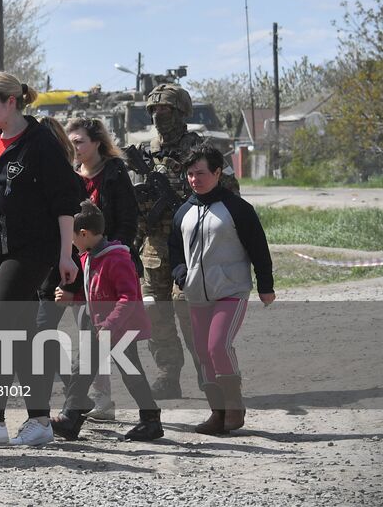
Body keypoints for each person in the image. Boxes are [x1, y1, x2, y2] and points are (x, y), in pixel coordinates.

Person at [0, 72, 81, 447]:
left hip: (31, 249)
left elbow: (65, 203)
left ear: (11, 102)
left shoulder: (40, 143)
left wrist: (66, 254)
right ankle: (39, 421)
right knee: (21, 336)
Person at [136, 82, 238, 399]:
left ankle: (208, 373)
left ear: (181, 112)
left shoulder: (202, 150)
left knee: (189, 311)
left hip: (191, 246)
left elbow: (230, 196)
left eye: (165, 109)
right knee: (156, 312)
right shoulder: (144, 151)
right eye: (154, 110)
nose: (158, 115)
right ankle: (168, 375)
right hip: (153, 247)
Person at [37, 116, 140, 421]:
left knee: (94, 335)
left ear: (97, 142)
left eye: (80, 141)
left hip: (103, 265)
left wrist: (108, 256)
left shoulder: (114, 174)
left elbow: (127, 221)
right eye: (71, 142)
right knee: (44, 329)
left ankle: (101, 400)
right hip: (68, 265)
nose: (75, 147)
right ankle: (77, 393)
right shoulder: (67, 175)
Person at [169, 145, 274, 435]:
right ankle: (217, 413)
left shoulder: (238, 208)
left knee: (217, 346)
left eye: (200, 173)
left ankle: (234, 405)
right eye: (190, 174)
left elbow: (258, 248)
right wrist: (181, 275)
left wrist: (266, 285)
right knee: (203, 352)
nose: (194, 179)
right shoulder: (183, 212)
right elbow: (175, 251)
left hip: (232, 290)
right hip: (196, 294)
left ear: (217, 173)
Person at [50, 201, 162, 443]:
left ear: (84, 234)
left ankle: (151, 420)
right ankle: (70, 418)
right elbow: (95, 291)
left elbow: (129, 298)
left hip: (119, 328)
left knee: (131, 374)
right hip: (99, 326)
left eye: (72, 237)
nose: (70, 243)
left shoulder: (117, 259)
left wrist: (110, 325)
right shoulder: (89, 256)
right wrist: (73, 297)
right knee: (82, 371)